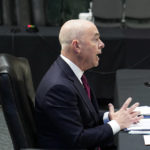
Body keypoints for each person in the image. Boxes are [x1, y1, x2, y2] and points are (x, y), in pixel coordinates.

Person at [35, 19, 143, 150]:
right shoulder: (59, 88)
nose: (102, 44)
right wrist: (117, 124)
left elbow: (82, 116)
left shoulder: (70, 73)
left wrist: (109, 117)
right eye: (96, 39)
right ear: (77, 46)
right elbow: (78, 140)